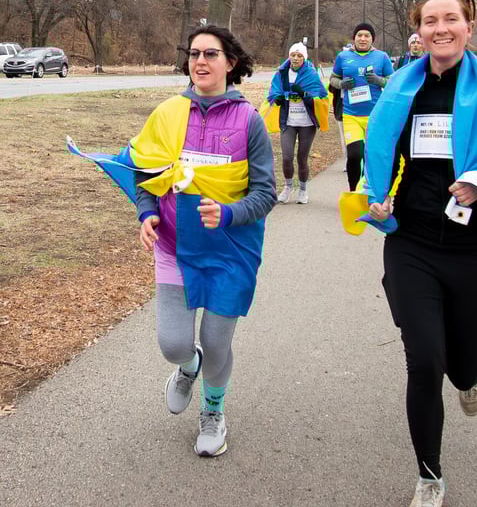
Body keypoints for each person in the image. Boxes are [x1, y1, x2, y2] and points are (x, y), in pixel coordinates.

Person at [350, 0, 477, 507]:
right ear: (419, 30)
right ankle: (429, 476)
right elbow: (382, 148)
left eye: (451, 19)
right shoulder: (400, 88)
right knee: (424, 361)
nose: (440, 29)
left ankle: (472, 376)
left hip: (476, 249)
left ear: (469, 24)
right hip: (413, 241)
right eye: (430, 21)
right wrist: (378, 198)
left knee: (460, 365)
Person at [68, 25, 277, 457]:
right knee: (173, 344)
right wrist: (146, 213)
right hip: (174, 248)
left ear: (230, 63)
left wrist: (230, 213)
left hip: (230, 253)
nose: (200, 61)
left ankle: (214, 411)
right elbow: (146, 173)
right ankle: (188, 365)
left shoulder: (249, 122)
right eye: (194, 53)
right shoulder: (166, 114)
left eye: (211, 54)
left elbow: (265, 192)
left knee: (219, 343)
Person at [262, 42, 330, 204]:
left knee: (302, 158)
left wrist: (304, 94)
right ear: (289, 56)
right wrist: (277, 99)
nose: (296, 58)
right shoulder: (281, 73)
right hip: (288, 121)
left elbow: (321, 96)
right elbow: (274, 91)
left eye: (299, 55)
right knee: (286, 157)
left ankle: (303, 190)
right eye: (293, 55)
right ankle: (287, 187)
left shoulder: (311, 74)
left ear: (304, 58)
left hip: (307, 123)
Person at [330, 23, 393, 190]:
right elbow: (333, 79)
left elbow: (393, 81)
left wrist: (380, 81)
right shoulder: (343, 57)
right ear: (354, 38)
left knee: (371, 156)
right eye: (359, 35)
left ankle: (367, 190)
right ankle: (353, 191)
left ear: (372, 39)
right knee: (354, 154)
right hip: (351, 115)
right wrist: (342, 84)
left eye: (367, 35)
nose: (363, 38)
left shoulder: (382, 57)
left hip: (375, 116)